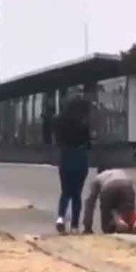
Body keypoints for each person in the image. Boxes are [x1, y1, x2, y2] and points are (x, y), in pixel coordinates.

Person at [54, 97, 92, 235]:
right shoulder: (82, 125)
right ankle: (75, 225)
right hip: (80, 159)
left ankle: (60, 217)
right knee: (77, 194)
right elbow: (88, 144)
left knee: (65, 191)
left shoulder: (59, 122)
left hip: (65, 158)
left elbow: (57, 141)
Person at [83, 167, 136, 234]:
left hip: (109, 188)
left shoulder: (98, 178)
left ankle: (112, 227)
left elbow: (90, 203)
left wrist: (87, 227)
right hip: (127, 187)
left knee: (107, 220)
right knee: (128, 215)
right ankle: (134, 223)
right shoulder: (121, 171)